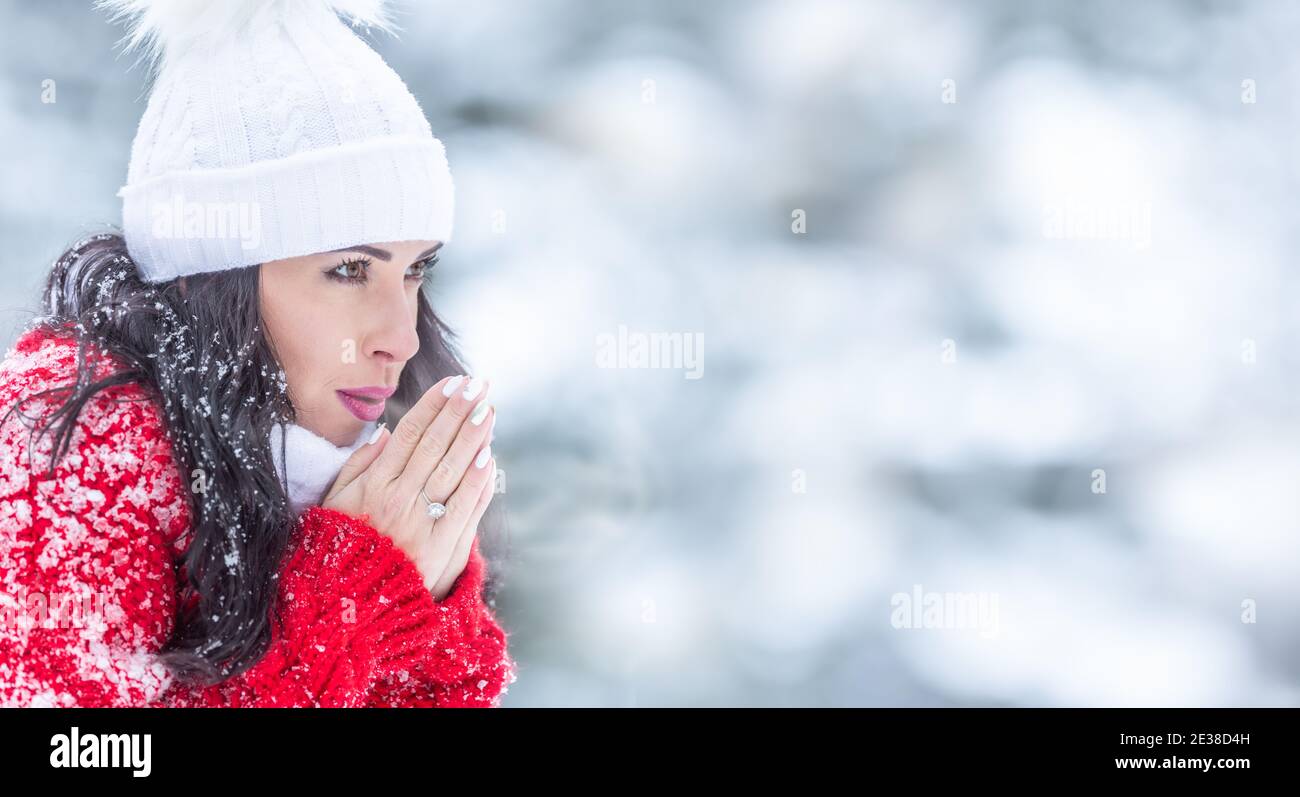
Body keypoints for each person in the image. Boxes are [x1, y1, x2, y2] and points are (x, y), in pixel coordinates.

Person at [0, 0, 517, 707]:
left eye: (415, 269)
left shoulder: (350, 457)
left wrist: (420, 592)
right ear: (209, 279)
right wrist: (347, 596)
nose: (401, 337)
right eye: (349, 270)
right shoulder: (68, 442)